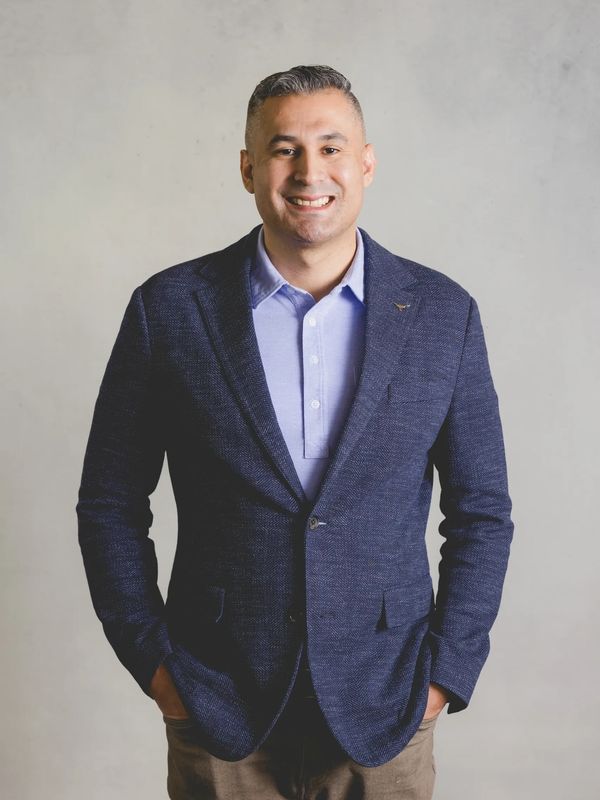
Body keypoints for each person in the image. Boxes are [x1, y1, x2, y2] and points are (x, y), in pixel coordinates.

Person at [76, 65, 514, 799]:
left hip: (389, 706)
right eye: (283, 149)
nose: (310, 171)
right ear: (249, 169)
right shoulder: (169, 311)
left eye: (332, 147)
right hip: (217, 707)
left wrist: (446, 674)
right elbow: (108, 504)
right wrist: (155, 666)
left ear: (366, 162)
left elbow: (482, 514)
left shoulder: (444, 315)